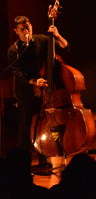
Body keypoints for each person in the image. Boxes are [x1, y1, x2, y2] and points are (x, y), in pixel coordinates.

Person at [6, 16, 70, 167]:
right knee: (25, 124)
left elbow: (65, 47)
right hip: (26, 90)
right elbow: (18, 74)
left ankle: (43, 156)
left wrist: (58, 35)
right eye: (22, 29)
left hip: (44, 90)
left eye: (28, 27)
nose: (26, 31)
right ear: (16, 31)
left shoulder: (41, 40)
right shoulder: (13, 50)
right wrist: (34, 81)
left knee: (44, 124)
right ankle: (23, 160)